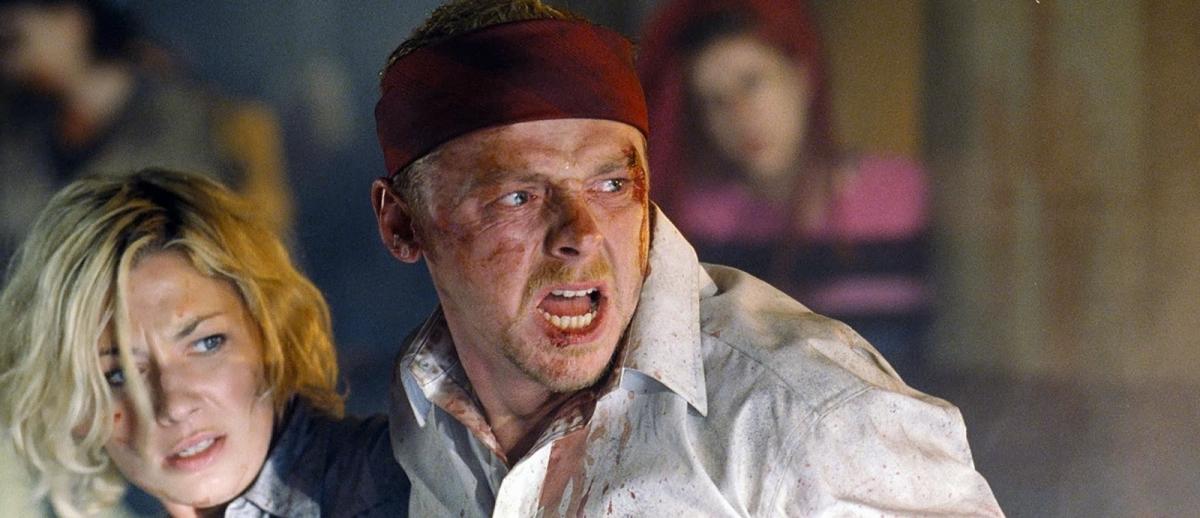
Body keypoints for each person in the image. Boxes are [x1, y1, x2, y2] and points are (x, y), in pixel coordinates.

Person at [371, 0, 1000, 515]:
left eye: (611, 184)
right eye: (518, 196)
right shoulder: (424, 407)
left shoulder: (806, 417)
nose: (582, 234)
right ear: (401, 223)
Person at [0, 169, 408, 516]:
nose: (174, 405)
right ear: (74, 408)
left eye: (207, 344)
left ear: (270, 332)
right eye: (118, 374)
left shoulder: (403, 487)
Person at [638, 0, 932, 378]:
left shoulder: (903, 193)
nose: (739, 114)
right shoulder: (693, 223)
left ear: (802, 73)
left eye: (751, 81)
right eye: (714, 100)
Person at [0, 0, 292, 277]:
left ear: (70, 21)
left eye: (14, 41)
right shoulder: (21, 132)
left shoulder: (188, 119)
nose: (7, 63)